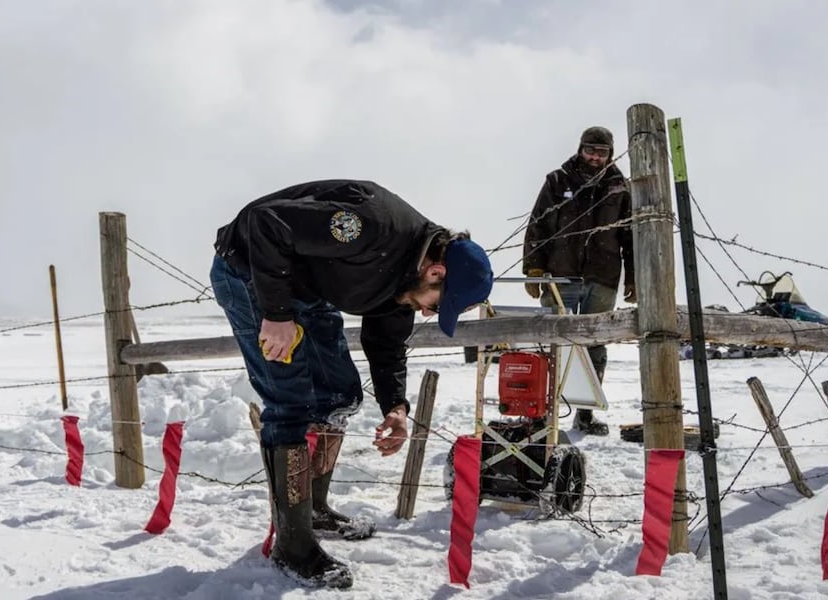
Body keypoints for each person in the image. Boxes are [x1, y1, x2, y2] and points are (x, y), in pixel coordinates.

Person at [211, 179, 494, 589]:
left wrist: (395, 407)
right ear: (436, 271)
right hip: (252, 273)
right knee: (290, 402)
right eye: (437, 304)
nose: (430, 314)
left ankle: (313, 509)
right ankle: (292, 546)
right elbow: (265, 223)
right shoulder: (369, 226)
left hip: (305, 286)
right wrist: (276, 314)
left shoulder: (407, 280)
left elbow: (387, 341)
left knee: (339, 394)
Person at [521, 126, 634, 436]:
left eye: (601, 152)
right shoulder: (557, 181)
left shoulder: (620, 187)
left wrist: (634, 279)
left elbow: (630, 236)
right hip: (561, 275)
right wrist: (533, 268)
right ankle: (539, 414)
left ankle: (584, 414)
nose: (595, 157)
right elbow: (538, 225)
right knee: (550, 343)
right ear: (580, 149)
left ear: (610, 154)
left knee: (594, 345)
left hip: (603, 277)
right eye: (590, 150)